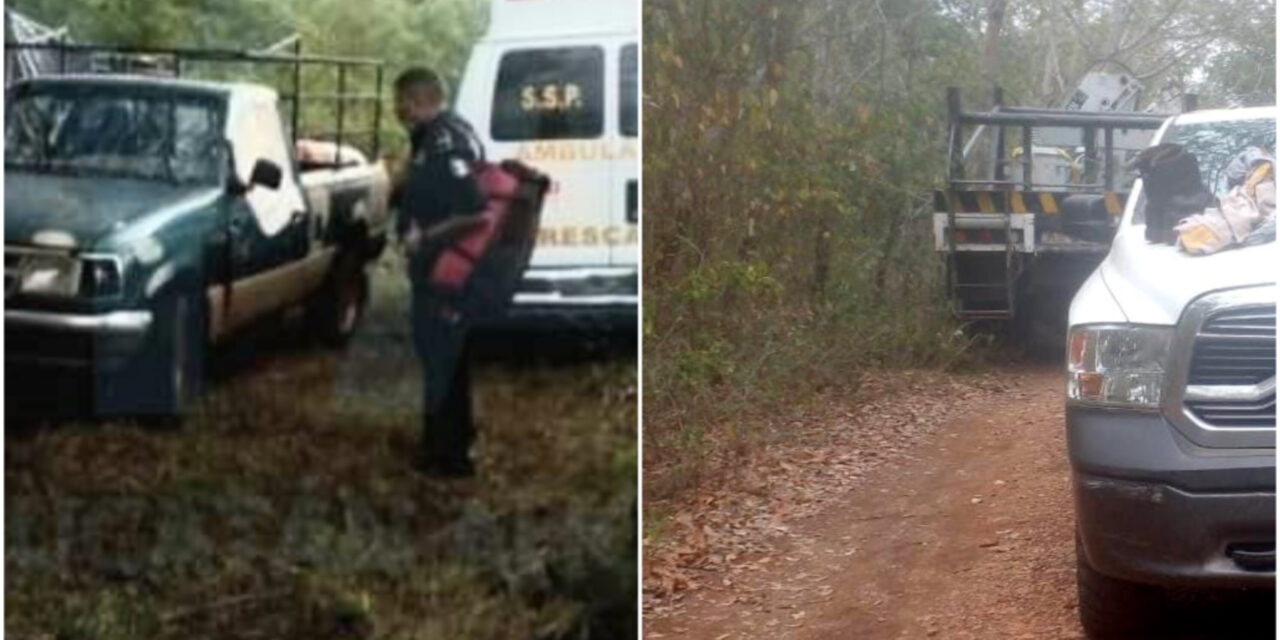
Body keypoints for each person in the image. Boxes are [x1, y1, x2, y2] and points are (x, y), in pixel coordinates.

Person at [392, 67, 487, 477]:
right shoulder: (437, 136)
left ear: (416, 100)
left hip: (446, 273)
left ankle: (446, 458)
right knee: (444, 359)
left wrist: (423, 237)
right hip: (438, 272)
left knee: (442, 359)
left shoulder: (445, 140)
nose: (397, 111)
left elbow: (474, 210)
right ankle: (451, 442)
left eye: (401, 103)